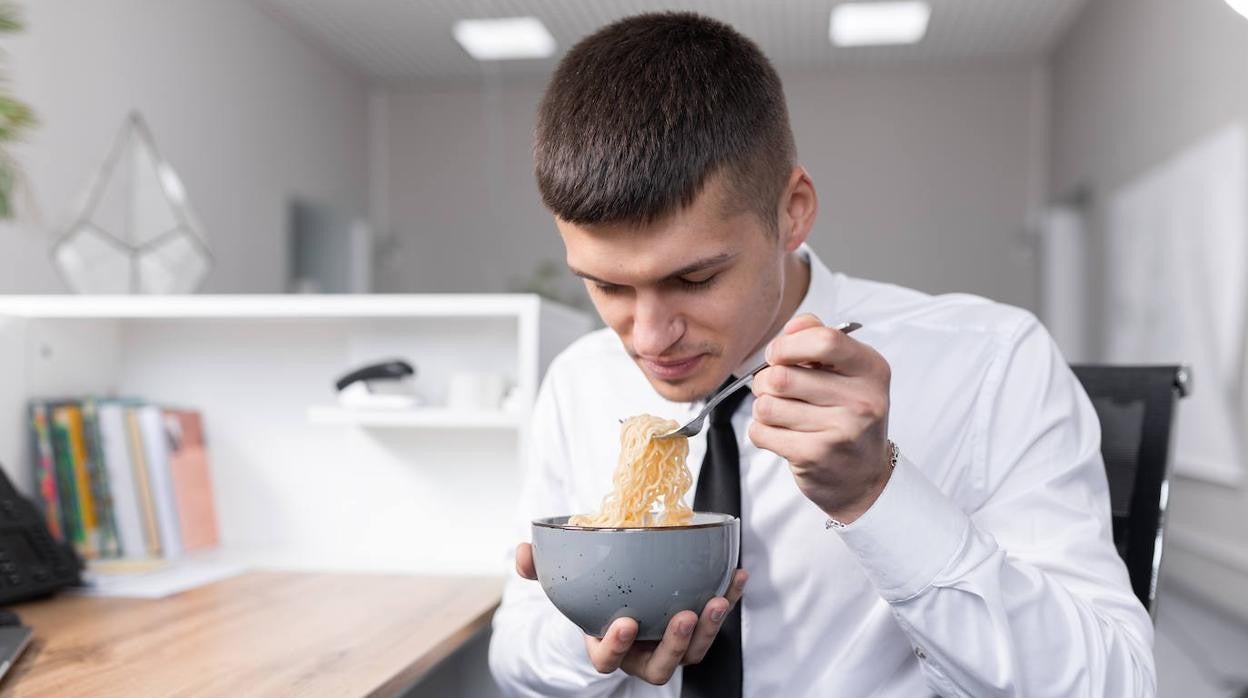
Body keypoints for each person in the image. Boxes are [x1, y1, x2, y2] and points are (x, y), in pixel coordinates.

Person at [488, 12, 1155, 698]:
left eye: (694, 279)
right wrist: (591, 640)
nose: (650, 338)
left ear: (793, 210)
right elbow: (515, 654)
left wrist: (878, 494)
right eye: (607, 286)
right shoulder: (580, 378)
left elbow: (1114, 684)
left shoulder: (994, 364)